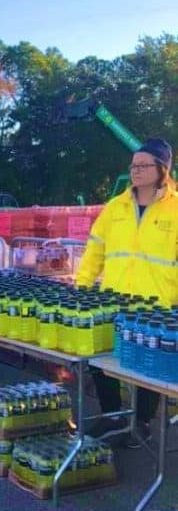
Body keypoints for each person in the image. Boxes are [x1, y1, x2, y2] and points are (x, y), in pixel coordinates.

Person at [77, 138, 178, 447]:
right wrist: (83, 288)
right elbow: (94, 250)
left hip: (158, 306)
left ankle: (142, 423)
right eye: (134, 165)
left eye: (144, 165)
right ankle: (112, 416)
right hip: (113, 301)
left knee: (149, 370)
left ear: (163, 169)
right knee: (99, 359)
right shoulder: (115, 207)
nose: (136, 170)